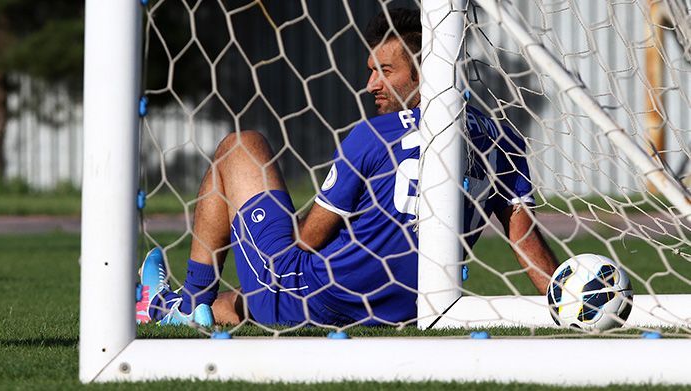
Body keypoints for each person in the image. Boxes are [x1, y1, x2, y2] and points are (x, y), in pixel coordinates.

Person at [135, 8, 559, 327]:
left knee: (240, 146)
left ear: (427, 72)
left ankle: (186, 301)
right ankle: (188, 310)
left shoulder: (373, 135)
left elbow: (309, 240)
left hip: (322, 294)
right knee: (250, 299)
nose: (371, 84)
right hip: (406, 307)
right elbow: (523, 236)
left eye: (385, 71)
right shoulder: (500, 137)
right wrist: (563, 296)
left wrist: (282, 222)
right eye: (370, 71)